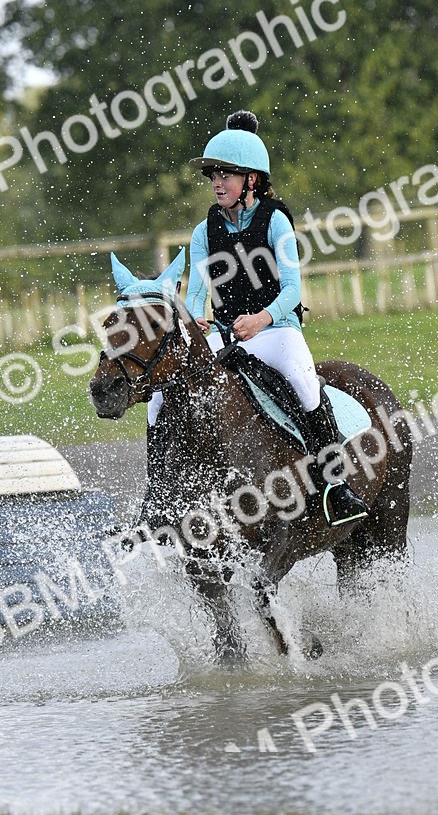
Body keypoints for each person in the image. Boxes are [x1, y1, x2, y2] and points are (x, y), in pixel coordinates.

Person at [139, 109, 368, 530]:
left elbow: (294, 290)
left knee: (303, 382)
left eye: (227, 175)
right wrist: (196, 320)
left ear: (252, 180)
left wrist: (262, 319)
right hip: (225, 334)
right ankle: (154, 500)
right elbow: (195, 289)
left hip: (276, 330)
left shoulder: (274, 219)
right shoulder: (204, 229)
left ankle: (337, 485)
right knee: (158, 396)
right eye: (213, 175)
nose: (217, 183)